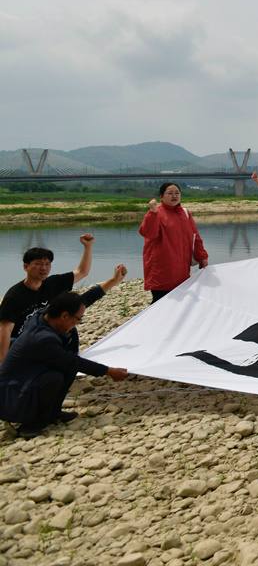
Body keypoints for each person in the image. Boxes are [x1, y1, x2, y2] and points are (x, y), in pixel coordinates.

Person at [0, 291, 129, 438]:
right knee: (54, 377)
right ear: (64, 316)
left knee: (65, 369)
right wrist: (109, 371)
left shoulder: (43, 317)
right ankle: (32, 423)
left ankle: (53, 412)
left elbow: (78, 303)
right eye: (78, 319)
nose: (77, 324)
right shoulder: (42, 338)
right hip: (11, 398)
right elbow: (72, 361)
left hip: (23, 381)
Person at [0, 236, 95, 360]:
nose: (44, 268)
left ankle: (70, 360)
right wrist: (3, 362)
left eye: (47, 264)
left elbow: (82, 272)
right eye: (38, 264)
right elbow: (5, 330)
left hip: (43, 336)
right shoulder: (14, 295)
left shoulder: (53, 283)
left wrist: (88, 247)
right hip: (19, 341)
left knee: (70, 329)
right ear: (26, 267)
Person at [139, 182, 209, 303]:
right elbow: (148, 233)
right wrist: (152, 213)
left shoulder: (185, 213)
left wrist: (202, 257)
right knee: (160, 303)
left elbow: (195, 237)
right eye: (170, 193)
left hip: (181, 268)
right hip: (161, 269)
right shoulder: (156, 213)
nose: (174, 196)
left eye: (177, 193)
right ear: (162, 196)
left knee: (180, 303)